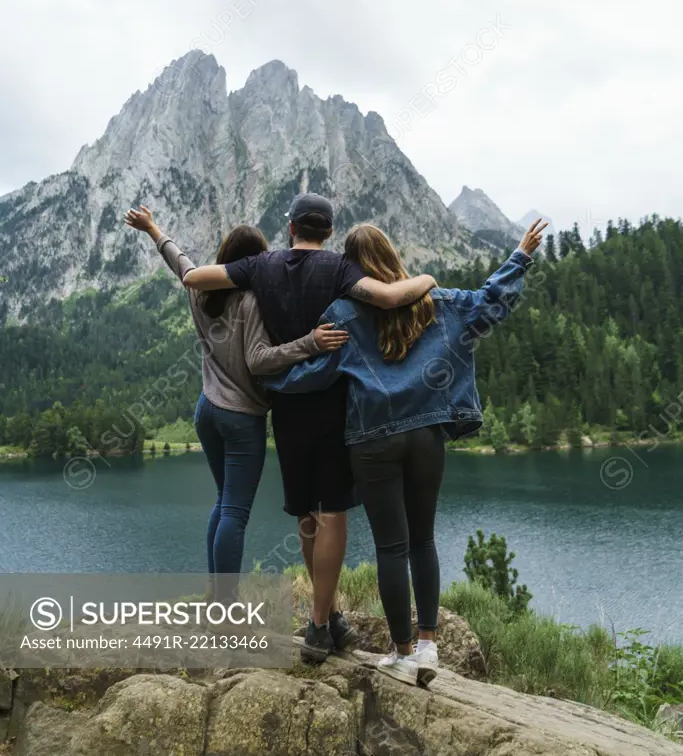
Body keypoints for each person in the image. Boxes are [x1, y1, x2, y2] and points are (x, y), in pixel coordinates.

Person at [263, 218, 547, 686]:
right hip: (427, 437)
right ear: (392, 256)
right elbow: (488, 303)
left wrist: (265, 377)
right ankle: (429, 646)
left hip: (372, 443)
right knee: (424, 541)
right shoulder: (436, 302)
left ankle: (400, 652)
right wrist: (520, 255)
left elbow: (312, 375)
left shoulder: (343, 313)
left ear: (351, 269)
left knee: (390, 548)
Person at [181, 192, 438, 663]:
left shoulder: (261, 266)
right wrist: (428, 278)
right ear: (329, 231)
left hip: (287, 410)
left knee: (305, 513)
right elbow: (389, 296)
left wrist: (173, 244)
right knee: (333, 511)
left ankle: (328, 616)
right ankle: (321, 623)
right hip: (336, 408)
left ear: (292, 228)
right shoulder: (341, 269)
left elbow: (194, 277)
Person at [124, 205, 349, 582]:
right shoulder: (251, 301)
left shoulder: (199, 293)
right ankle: (226, 610)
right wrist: (311, 342)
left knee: (223, 502)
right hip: (241, 416)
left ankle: (217, 597)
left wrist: (152, 228)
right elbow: (260, 360)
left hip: (206, 410)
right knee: (235, 512)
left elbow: (178, 261)